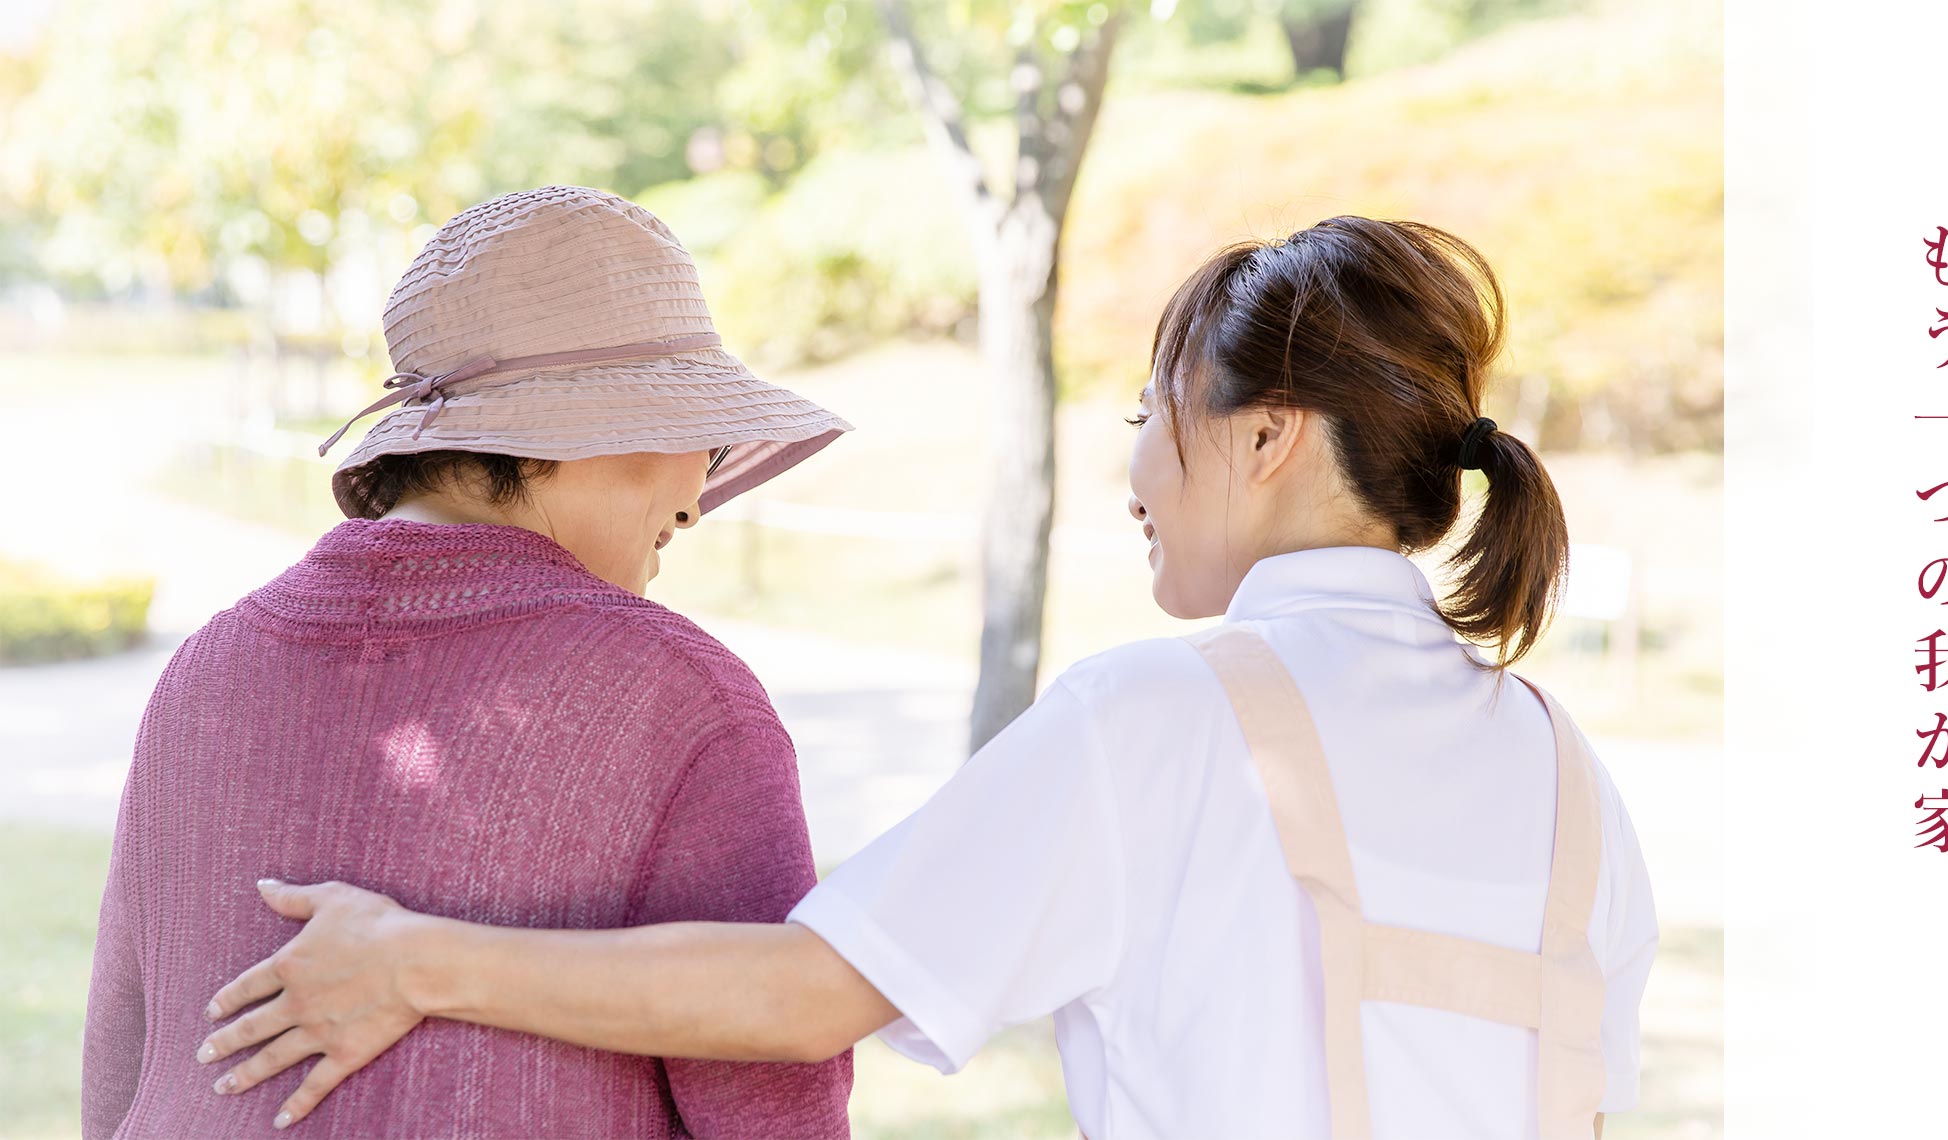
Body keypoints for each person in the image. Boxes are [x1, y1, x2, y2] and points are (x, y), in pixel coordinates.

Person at [194, 216, 1661, 1139]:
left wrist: (409, 962)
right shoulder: (1568, 778)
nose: (1132, 467)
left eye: (1150, 415)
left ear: (1268, 438)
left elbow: (802, 993)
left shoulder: (1165, 718)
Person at [83, 185, 858, 1139]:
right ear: (594, 434)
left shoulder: (207, 668)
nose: (700, 499)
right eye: (700, 432)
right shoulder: (679, 698)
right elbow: (772, 1092)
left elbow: (124, 1060)